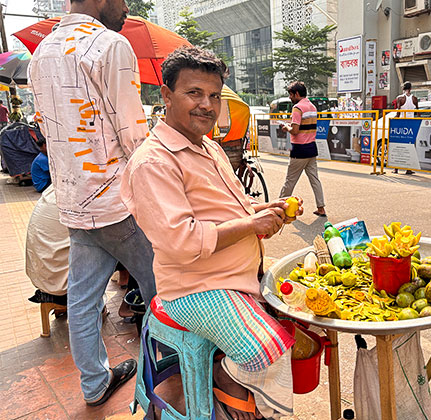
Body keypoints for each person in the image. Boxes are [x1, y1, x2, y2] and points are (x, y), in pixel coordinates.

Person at [121, 47, 299, 420]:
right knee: (270, 350)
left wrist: (257, 210)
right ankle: (227, 385)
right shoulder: (154, 161)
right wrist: (250, 225)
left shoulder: (211, 148)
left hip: (236, 276)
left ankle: (236, 386)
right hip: (196, 288)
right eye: (194, 93)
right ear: (166, 96)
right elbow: (181, 240)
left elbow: (230, 206)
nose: (207, 104)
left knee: (302, 316)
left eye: (214, 95)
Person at [28, 0, 157, 406]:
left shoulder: (40, 54)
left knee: (83, 301)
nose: (125, 9)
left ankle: (94, 385)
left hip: (73, 200)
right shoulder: (110, 45)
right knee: (164, 288)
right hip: (118, 202)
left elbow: (48, 130)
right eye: (121, 1)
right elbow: (134, 135)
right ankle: (164, 377)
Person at [279, 81, 327, 217]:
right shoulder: (312, 107)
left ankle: (278, 207)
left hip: (299, 150)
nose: (290, 97)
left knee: (290, 181)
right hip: (311, 148)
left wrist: (286, 127)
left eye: (291, 94)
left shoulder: (297, 108)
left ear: (297, 94)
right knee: (315, 180)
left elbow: (294, 131)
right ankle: (321, 208)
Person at [395, 82, 418, 174]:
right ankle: (408, 169)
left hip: (401, 125)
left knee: (398, 146)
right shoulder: (415, 99)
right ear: (411, 88)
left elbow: (398, 113)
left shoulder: (400, 98)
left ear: (403, 88)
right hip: (411, 125)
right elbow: (417, 112)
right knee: (410, 146)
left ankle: (396, 168)